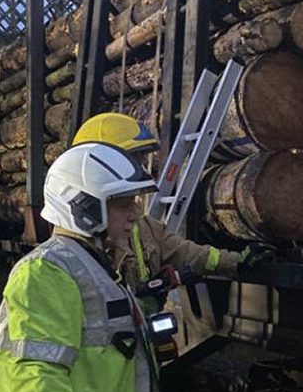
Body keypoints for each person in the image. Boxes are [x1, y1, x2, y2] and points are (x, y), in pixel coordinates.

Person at [0, 143, 176, 392]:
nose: (135, 214)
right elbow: (35, 373)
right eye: (122, 203)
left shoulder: (93, 266)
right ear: (83, 206)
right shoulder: (47, 272)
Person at [71, 113, 273, 312]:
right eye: (133, 158)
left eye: (140, 158)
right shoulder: (74, 248)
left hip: (140, 334)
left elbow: (186, 252)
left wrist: (236, 261)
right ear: (96, 165)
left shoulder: (145, 227)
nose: (140, 166)